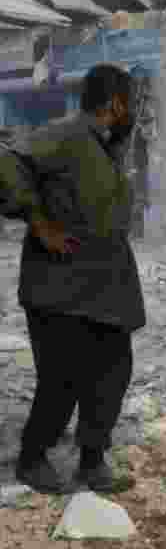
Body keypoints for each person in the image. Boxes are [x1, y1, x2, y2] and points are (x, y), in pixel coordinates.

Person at [0, 63, 145, 494]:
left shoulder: (104, 145)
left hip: (106, 285)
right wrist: (39, 223)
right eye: (133, 102)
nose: (136, 110)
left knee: (112, 372)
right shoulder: (64, 134)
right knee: (62, 377)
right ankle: (32, 458)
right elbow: (7, 160)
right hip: (59, 284)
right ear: (115, 103)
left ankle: (92, 460)